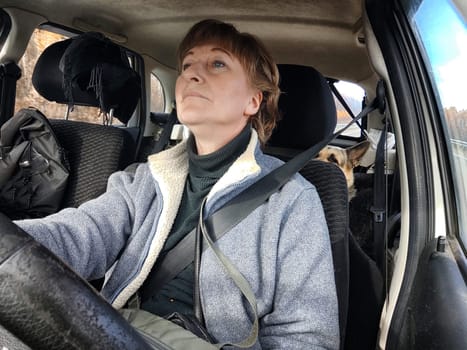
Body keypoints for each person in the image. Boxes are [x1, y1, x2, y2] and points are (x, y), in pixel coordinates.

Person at [16, 19, 339, 349]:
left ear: (253, 102)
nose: (193, 74)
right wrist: (11, 243)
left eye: (217, 63)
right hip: (113, 333)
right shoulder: (144, 178)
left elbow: (307, 336)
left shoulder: (293, 200)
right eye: (187, 65)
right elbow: (78, 235)